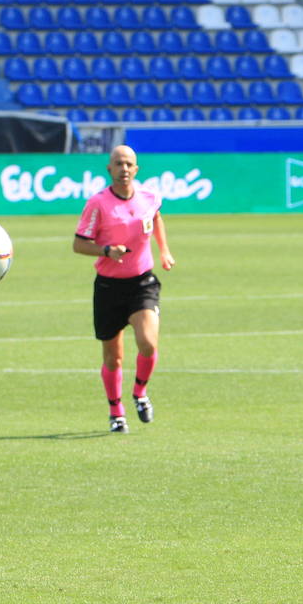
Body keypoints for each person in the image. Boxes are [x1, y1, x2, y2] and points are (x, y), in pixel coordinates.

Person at [72, 144, 174, 434]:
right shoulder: (98, 203)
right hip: (108, 287)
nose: (124, 168)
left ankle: (140, 393)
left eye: (129, 164)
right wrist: (106, 250)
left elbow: (155, 217)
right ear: (109, 169)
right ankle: (116, 412)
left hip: (142, 282)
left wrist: (164, 250)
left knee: (148, 342)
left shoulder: (149, 197)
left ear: (136, 169)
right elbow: (78, 244)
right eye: (118, 163)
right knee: (113, 357)